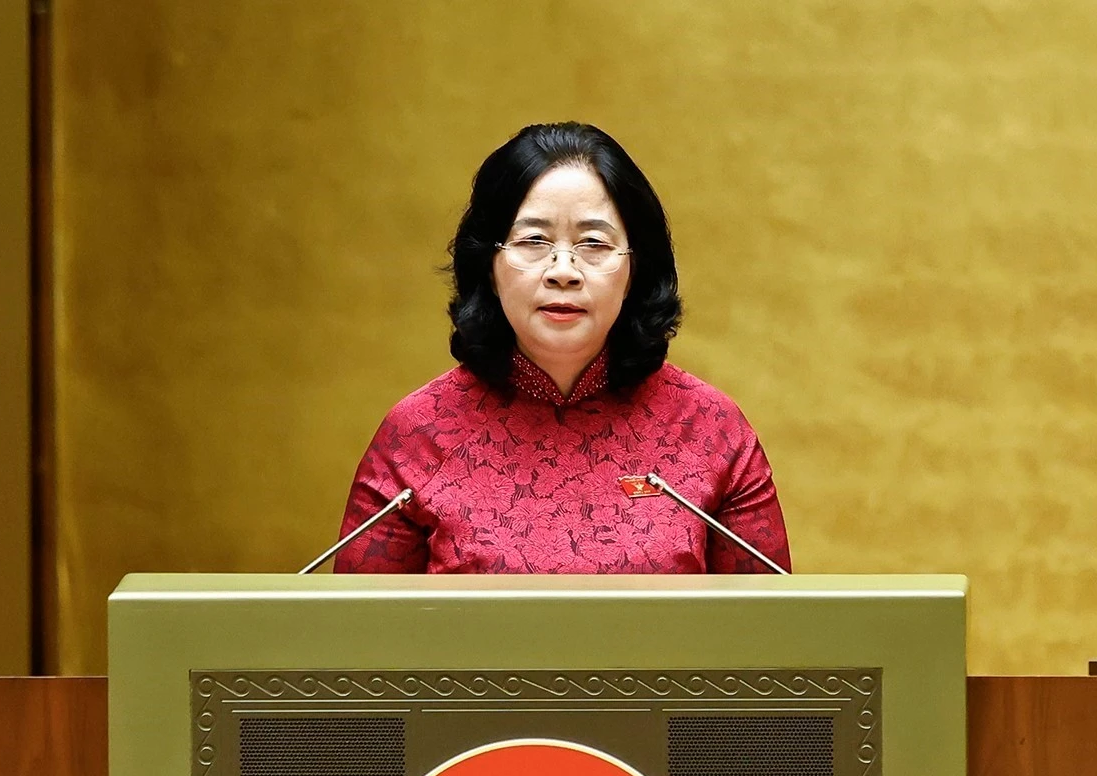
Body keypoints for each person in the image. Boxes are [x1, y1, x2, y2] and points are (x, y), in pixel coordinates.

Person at [334, 121, 791, 574]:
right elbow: (355, 639)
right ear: (489, 266)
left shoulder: (710, 430)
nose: (563, 271)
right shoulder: (418, 434)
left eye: (594, 244)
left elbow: (773, 637)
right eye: (534, 241)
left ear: (636, 269)